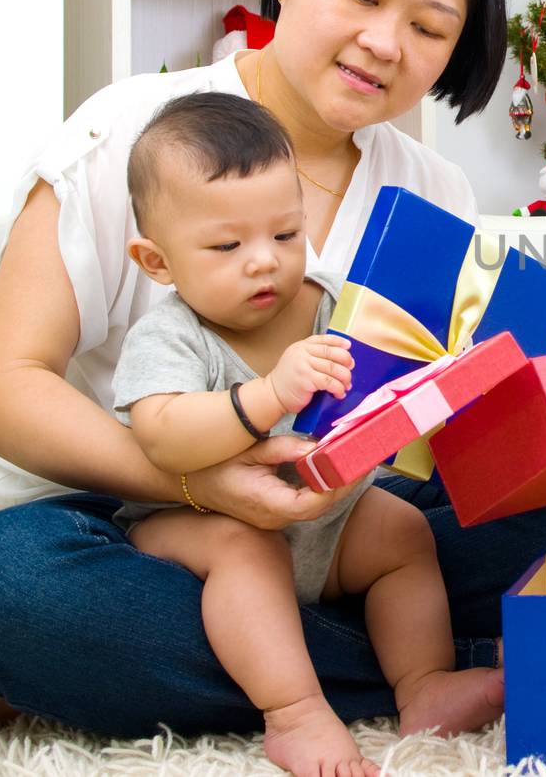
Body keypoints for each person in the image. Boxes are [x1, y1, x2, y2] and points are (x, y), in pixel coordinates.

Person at [0, 0, 546, 741]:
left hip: (339, 516)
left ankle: (127, 676)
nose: (386, 43)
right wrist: (202, 482)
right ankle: (432, 667)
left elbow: (440, 423)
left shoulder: (430, 187)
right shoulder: (133, 133)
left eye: (430, 28)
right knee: (4, 589)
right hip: (126, 518)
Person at [114, 93, 503, 774]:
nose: (264, 261)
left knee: (403, 533)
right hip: (200, 526)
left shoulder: (329, 304)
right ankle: (293, 711)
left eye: (286, 235)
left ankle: (423, 684)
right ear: (157, 262)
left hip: (324, 519)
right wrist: (266, 396)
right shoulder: (171, 335)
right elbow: (163, 436)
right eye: (228, 245)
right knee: (246, 551)